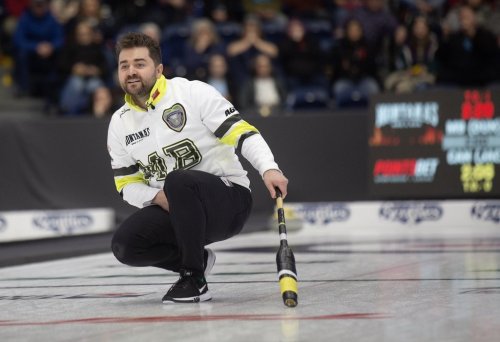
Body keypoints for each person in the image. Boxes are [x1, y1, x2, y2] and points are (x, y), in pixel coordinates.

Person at [108, 32, 288, 304]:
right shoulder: (119, 123)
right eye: (124, 65)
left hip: (228, 202)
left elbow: (243, 134)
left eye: (139, 64)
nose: (131, 71)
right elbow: (125, 184)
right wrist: (156, 197)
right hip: (178, 208)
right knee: (126, 245)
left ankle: (194, 279)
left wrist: (269, 169)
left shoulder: (193, 93)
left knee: (179, 181)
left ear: (159, 69)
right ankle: (197, 259)